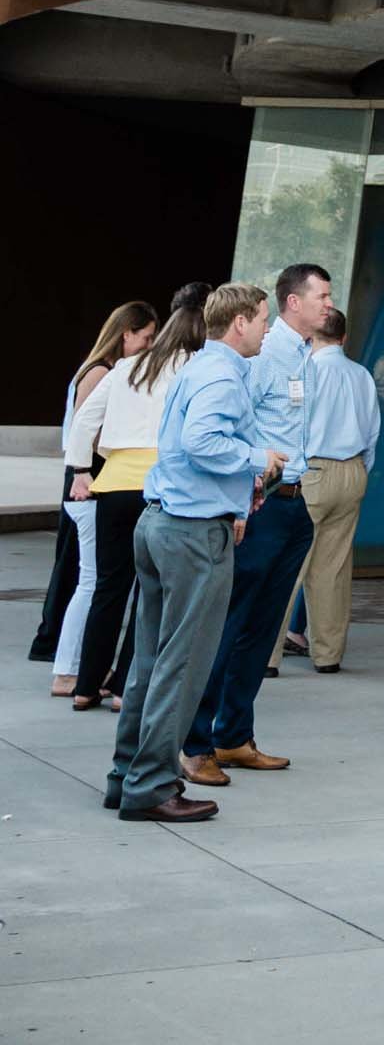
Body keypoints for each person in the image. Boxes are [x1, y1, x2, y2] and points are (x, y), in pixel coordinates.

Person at [105, 282, 279, 825]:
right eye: (262, 319)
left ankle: (127, 777)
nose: (267, 329)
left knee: (150, 662)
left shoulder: (199, 367)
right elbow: (204, 442)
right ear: (240, 323)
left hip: (162, 522)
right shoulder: (223, 375)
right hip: (192, 533)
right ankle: (152, 785)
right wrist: (259, 458)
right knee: (182, 665)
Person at [180, 259, 333, 783]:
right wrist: (245, 500)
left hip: (294, 504)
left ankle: (234, 737)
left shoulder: (306, 356)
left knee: (262, 628)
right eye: (323, 296)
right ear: (295, 302)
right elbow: (234, 430)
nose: (329, 305)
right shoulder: (264, 355)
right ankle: (196, 742)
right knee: (231, 624)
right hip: (262, 504)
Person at [62, 296, 179, 711]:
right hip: (157, 486)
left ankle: (85, 686)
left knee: (108, 589)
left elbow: (84, 421)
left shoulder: (122, 370)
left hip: (112, 484)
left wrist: (80, 469)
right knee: (148, 590)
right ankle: (121, 688)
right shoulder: (182, 369)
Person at [47, 303, 157, 700]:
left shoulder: (101, 371)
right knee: (94, 582)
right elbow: (84, 427)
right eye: (145, 338)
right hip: (94, 483)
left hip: (97, 484)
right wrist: (83, 471)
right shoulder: (104, 373)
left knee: (97, 582)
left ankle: (81, 676)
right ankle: (70, 672)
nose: (148, 347)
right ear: (126, 333)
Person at [283, 307, 379, 672]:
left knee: (287, 564)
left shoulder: (304, 373)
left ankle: (269, 655)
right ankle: (328, 655)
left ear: (310, 337)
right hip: (352, 471)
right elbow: (372, 434)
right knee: (333, 569)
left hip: (312, 471)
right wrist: (359, 470)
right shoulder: (362, 375)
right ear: (343, 338)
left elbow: (292, 426)